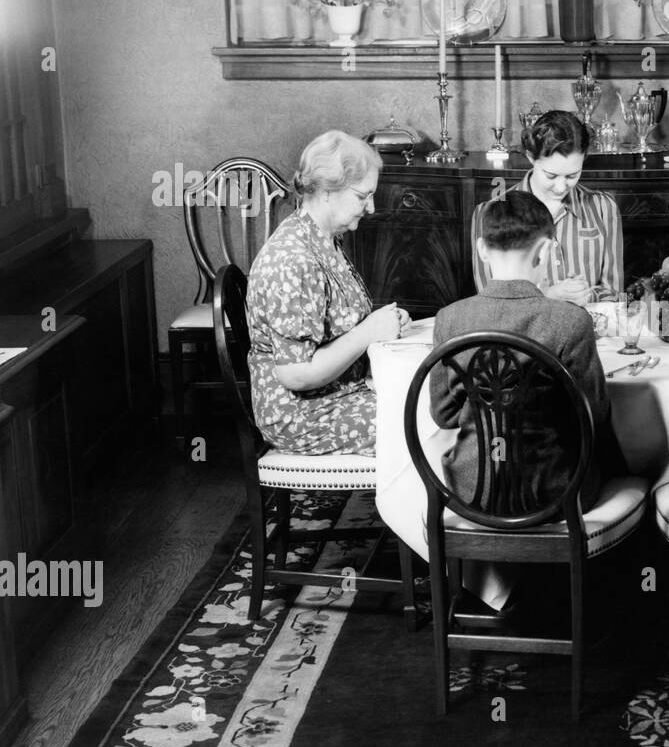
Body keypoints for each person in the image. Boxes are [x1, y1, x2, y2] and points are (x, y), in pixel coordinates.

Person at [431, 188, 623, 611]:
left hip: (472, 492)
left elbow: (443, 415)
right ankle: (603, 596)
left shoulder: (450, 319)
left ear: (482, 249)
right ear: (548, 251)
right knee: (629, 466)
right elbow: (596, 414)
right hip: (552, 492)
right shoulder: (570, 321)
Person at [246, 130, 409, 455]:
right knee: (420, 421)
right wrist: (369, 332)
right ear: (326, 192)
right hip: (301, 414)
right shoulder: (293, 259)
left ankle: (423, 502)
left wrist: (382, 326)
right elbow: (296, 374)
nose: (372, 207)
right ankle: (422, 505)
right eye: (363, 196)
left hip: (339, 392)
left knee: (434, 400)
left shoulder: (322, 238)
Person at [470, 110, 623, 303]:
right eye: (551, 176)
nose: (561, 187)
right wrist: (548, 296)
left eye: (572, 176)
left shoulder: (603, 207)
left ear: (584, 158)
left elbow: (615, 295)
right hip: (521, 332)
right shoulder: (490, 212)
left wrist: (585, 295)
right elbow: (489, 300)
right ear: (531, 158)